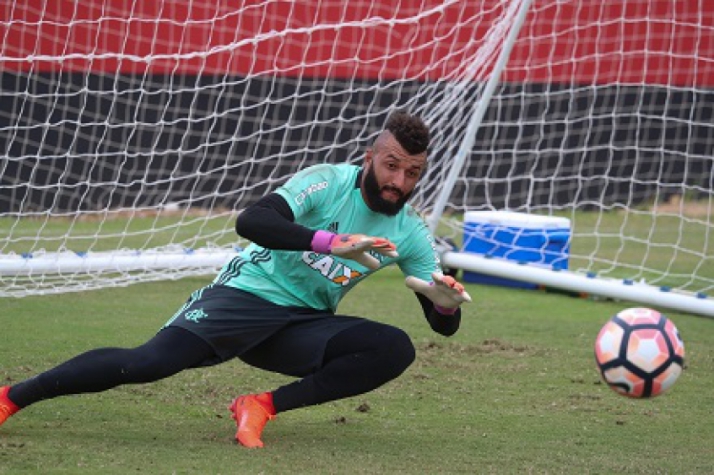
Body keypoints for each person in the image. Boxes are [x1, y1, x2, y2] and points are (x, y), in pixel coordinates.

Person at [0, 111, 471, 448]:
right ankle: (12, 397)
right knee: (149, 362)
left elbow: (441, 323)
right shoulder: (327, 181)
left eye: (413, 173)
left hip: (300, 325)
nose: (400, 182)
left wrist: (443, 300)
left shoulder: (409, 229)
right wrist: (330, 242)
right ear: (369, 158)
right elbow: (252, 221)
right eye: (392, 166)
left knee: (394, 348)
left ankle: (261, 405)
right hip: (244, 296)